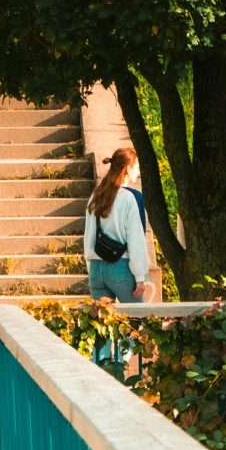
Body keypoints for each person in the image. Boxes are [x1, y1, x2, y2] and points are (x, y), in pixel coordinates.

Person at [84, 141, 153, 367]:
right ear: (127, 169)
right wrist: (140, 277)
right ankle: (121, 362)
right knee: (136, 320)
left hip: (96, 269)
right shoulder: (128, 199)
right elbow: (135, 240)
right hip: (120, 268)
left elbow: (89, 237)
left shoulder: (96, 197)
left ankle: (102, 363)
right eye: (136, 168)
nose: (138, 172)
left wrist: (91, 267)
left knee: (101, 323)